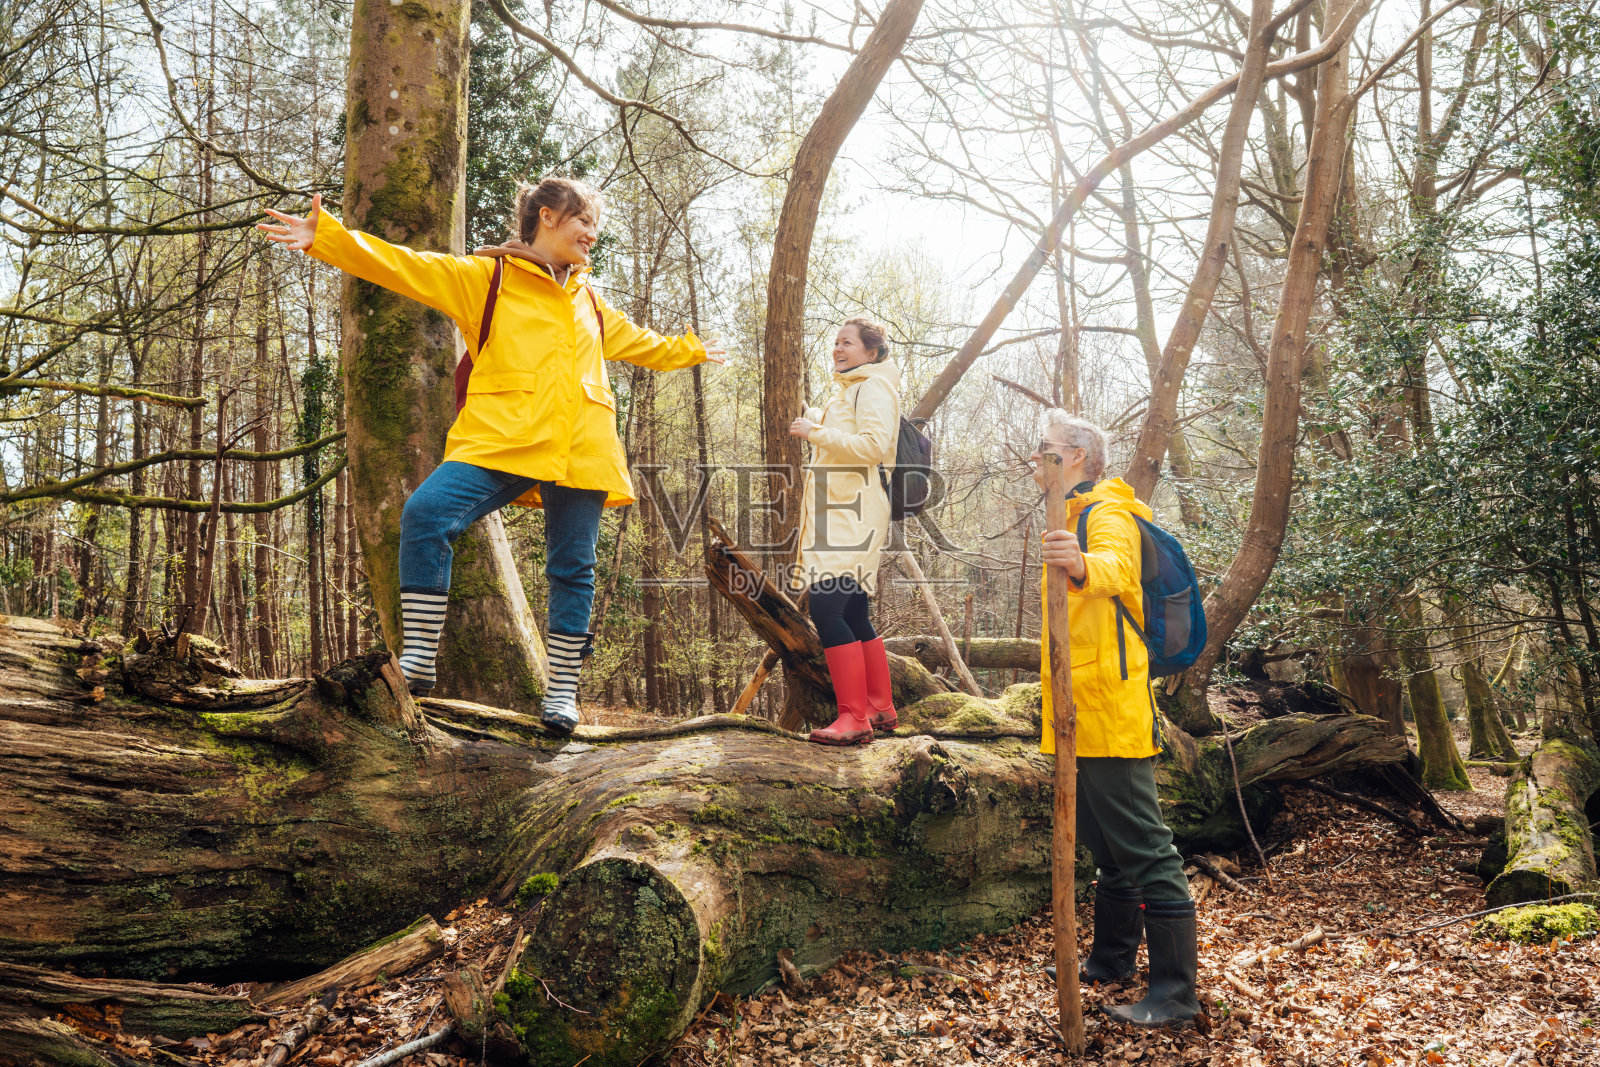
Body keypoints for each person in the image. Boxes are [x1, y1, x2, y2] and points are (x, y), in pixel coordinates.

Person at [258, 177, 723, 736]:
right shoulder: (487, 278)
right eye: (584, 221)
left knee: (573, 569)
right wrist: (328, 239)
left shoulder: (591, 302)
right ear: (547, 217)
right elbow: (404, 265)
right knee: (426, 515)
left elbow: (646, 344)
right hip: (504, 439)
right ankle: (419, 661)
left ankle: (562, 695)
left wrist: (693, 349)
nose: (592, 234)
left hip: (584, 448)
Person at [1030, 409, 1199, 1029]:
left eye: (1044, 448)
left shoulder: (1108, 514)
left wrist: (1077, 564)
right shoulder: (1073, 513)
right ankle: (1111, 960)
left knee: (1146, 848)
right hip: (1079, 708)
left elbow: (1115, 571)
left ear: (1076, 456)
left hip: (1110, 706)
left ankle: (1176, 994)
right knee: (1106, 846)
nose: (1035, 457)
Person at [788, 318, 902, 746]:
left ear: (871, 352)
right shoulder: (855, 389)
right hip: (843, 512)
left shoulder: (873, 387)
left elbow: (873, 445)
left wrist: (815, 431)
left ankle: (854, 718)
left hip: (852, 515)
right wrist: (819, 418)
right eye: (835, 342)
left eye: (848, 343)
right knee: (854, 613)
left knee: (827, 610)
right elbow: (852, 434)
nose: (838, 348)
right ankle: (879, 707)